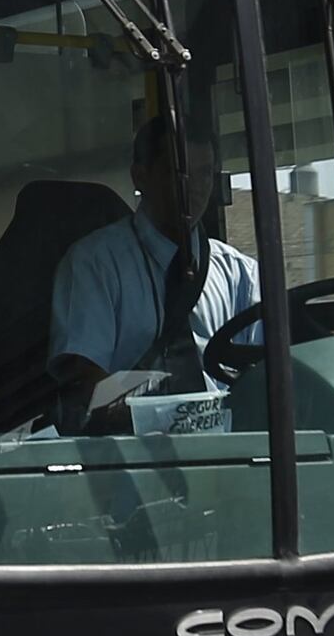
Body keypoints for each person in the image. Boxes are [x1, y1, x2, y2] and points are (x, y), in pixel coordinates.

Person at [46, 109, 263, 428]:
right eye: (180, 173)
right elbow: (85, 384)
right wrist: (164, 416)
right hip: (131, 447)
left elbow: (269, 372)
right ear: (141, 176)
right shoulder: (94, 264)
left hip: (230, 443)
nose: (195, 187)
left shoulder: (240, 274)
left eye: (205, 174)